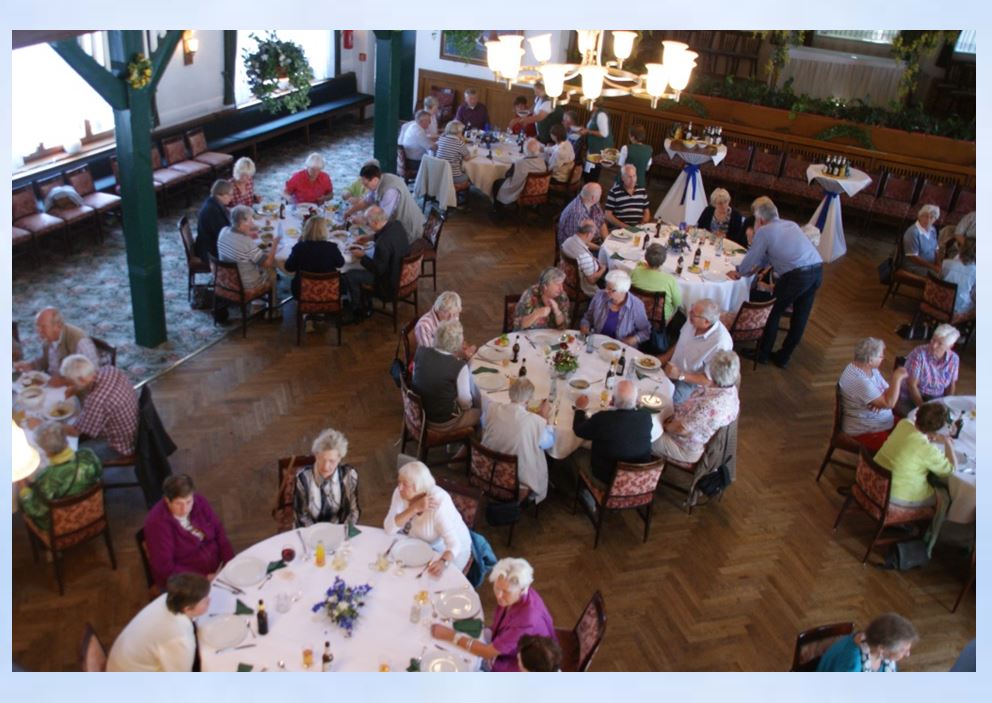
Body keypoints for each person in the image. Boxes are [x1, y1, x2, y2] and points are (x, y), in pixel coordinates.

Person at [728, 196, 823, 368]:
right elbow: (767, 257)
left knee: (772, 311)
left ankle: (763, 353)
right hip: (816, 270)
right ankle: (784, 357)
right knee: (800, 316)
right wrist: (752, 269)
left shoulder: (765, 231)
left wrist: (739, 272)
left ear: (761, 219)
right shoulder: (791, 225)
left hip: (796, 276)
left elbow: (753, 258)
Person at [431, 557, 556, 672]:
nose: (499, 596)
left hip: (522, 664)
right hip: (502, 639)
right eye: (497, 588)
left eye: (506, 592)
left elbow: (488, 653)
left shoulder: (527, 619)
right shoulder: (516, 594)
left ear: (523, 589)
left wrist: (451, 636)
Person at [874, 402, 956, 554]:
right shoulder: (926, 449)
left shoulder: (904, 424)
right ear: (937, 429)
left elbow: (916, 440)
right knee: (944, 497)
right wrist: (947, 443)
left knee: (926, 477)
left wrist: (932, 437)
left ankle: (909, 525)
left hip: (876, 480)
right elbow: (950, 470)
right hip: (896, 494)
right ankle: (928, 540)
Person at [143, 473, 235, 591]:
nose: (185, 509)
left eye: (188, 501)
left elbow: (219, 532)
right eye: (178, 504)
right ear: (167, 500)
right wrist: (204, 578)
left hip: (218, 569)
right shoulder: (156, 523)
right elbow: (164, 568)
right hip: (185, 582)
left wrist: (230, 563)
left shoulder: (199, 501)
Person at [106, 573, 211, 672]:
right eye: (205, 600)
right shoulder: (181, 637)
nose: (209, 600)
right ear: (187, 609)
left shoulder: (168, 598)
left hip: (122, 664)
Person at [383, 460, 471, 574]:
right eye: (399, 482)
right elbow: (389, 529)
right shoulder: (400, 494)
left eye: (405, 484)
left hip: (448, 551)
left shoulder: (439, 503)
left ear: (418, 487)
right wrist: (414, 508)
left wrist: (442, 563)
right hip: (419, 543)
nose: (399, 487)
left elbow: (454, 544)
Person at [653, 350, 740, 463]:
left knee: (643, 434)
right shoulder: (730, 390)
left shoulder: (710, 405)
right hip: (682, 429)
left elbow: (681, 429)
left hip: (683, 447)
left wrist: (662, 425)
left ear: (713, 373)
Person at [17, 421, 102, 532]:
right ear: (66, 440)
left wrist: (23, 487)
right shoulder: (87, 456)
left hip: (60, 525)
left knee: (22, 499)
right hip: (92, 511)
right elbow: (98, 473)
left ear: (46, 451)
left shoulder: (47, 478)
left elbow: (35, 510)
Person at [481, 377, 555, 504]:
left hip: (484, 468)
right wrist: (544, 419)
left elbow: (484, 423)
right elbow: (549, 443)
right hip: (514, 481)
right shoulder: (534, 421)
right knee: (538, 451)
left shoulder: (492, 407)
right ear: (528, 400)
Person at [573, 379, 653, 486]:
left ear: (612, 401)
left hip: (608, 479)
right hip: (639, 479)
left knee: (577, 452)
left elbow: (579, 430)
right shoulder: (646, 417)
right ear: (636, 400)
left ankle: (587, 493)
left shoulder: (603, 419)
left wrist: (579, 409)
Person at [60, 353, 139, 461]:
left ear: (82, 380)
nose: (68, 385)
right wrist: (76, 388)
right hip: (134, 426)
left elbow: (75, 431)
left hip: (120, 445)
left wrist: (46, 425)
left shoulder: (96, 400)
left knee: (71, 455)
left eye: (70, 382)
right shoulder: (109, 369)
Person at [656, 299, 733, 404]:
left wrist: (680, 375)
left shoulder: (720, 343)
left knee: (667, 401)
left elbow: (709, 380)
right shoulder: (692, 321)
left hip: (691, 382)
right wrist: (662, 359)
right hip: (672, 369)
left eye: (693, 314)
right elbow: (680, 344)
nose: (689, 315)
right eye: (691, 311)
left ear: (706, 322)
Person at [411, 319, 481, 432]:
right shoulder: (459, 366)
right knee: (483, 415)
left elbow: (415, 381)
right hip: (442, 422)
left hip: (420, 413)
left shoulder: (421, 351)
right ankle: (460, 446)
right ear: (457, 343)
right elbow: (466, 404)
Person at [838, 337, 906, 451]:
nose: (883, 358)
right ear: (870, 360)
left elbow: (886, 390)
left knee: (913, 431)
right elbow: (890, 403)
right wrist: (897, 378)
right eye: (880, 356)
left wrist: (879, 401)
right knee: (898, 451)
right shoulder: (859, 380)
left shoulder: (870, 369)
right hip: (866, 428)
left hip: (881, 420)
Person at [343, 205, 411, 317]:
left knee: (350, 274)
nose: (367, 225)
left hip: (388, 281)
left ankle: (356, 306)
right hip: (400, 271)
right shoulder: (397, 225)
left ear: (374, 223)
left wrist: (362, 256)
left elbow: (377, 269)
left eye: (368, 223)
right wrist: (369, 237)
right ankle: (362, 299)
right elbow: (384, 232)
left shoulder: (382, 243)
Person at [217, 205, 280, 314]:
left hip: (226, 280)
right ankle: (272, 310)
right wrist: (275, 243)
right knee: (272, 271)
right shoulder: (246, 242)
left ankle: (259, 303)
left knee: (254, 261)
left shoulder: (223, 231)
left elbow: (237, 243)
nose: (252, 224)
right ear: (242, 223)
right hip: (246, 284)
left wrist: (249, 233)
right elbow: (267, 263)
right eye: (250, 221)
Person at [292, 427, 360, 528]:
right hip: (310, 532)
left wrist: (344, 534)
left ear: (339, 459)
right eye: (322, 459)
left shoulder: (350, 475)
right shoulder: (302, 478)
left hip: (339, 531)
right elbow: (302, 516)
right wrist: (319, 538)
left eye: (331, 461)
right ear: (316, 456)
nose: (325, 467)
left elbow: (353, 512)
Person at [344, 163, 425, 245]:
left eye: (366, 184)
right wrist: (349, 212)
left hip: (409, 228)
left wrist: (363, 220)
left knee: (379, 243)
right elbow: (366, 201)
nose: (364, 187)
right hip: (396, 224)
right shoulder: (379, 180)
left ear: (375, 180)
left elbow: (381, 220)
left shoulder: (390, 191)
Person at [895, 324, 960, 417]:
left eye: (940, 343)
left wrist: (947, 406)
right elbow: (912, 385)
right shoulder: (919, 353)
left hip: (935, 400)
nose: (933, 345)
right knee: (921, 422)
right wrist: (924, 410)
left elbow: (951, 385)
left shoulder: (954, 359)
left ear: (950, 346)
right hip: (911, 398)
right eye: (933, 340)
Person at [817, 613, 918, 672]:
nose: (907, 654)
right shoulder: (851, 665)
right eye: (903, 650)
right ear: (881, 648)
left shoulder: (874, 643)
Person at [14, 307, 99, 378]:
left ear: (58, 326)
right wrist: (31, 365)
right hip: (53, 379)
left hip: (74, 388)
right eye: (38, 326)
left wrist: (63, 381)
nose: (39, 331)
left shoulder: (80, 342)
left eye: (43, 326)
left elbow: (92, 373)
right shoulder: (48, 338)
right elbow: (48, 360)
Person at [579, 269, 651, 347]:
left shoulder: (636, 306)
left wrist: (634, 339)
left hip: (620, 347)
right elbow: (587, 317)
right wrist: (584, 326)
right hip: (597, 342)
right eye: (606, 287)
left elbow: (646, 330)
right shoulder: (599, 296)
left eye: (611, 289)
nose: (606, 291)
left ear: (622, 291)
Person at [283, 215, 344, 300]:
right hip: (330, 291)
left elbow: (289, 267)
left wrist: (298, 245)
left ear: (306, 230)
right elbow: (341, 264)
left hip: (303, 292)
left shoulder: (299, 248)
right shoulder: (332, 248)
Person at [630, 243, 682, 326]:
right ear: (664, 260)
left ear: (646, 257)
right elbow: (678, 303)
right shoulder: (670, 280)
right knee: (677, 310)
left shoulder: (636, 271)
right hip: (657, 321)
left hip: (634, 314)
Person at [414, 291, 476, 358]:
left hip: (448, 357)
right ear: (438, 309)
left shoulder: (453, 317)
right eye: (447, 313)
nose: (451, 318)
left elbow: (457, 339)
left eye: (455, 314)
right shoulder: (424, 325)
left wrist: (464, 348)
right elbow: (429, 356)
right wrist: (458, 355)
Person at [492, 138, 548, 211]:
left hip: (521, 192)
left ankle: (498, 210)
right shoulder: (543, 163)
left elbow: (508, 175)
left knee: (497, 183)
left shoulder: (520, 163)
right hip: (538, 192)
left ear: (525, 150)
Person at [513, 267, 571, 331]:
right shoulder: (530, 295)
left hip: (551, 337)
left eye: (562, 284)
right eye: (557, 284)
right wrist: (536, 314)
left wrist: (557, 312)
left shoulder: (562, 296)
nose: (561, 289)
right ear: (545, 286)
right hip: (528, 336)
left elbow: (563, 328)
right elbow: (518, 325)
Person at [561, 220, 607, 298]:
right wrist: (603, 268)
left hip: (567, 282)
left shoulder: (567, 241)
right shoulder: (584, 256)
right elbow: (592, 280)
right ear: (588, 234)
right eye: (593, 233)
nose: (593, 236)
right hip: (583, 288)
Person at [194, 179, 233, 261]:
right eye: (230, 195)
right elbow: (222, 235)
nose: (232, 198)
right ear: (222, 194)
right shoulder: (212, 210)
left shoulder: (213, 202)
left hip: (210, 243)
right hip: (210, 251)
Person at [604, 164, 651, 228]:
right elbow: (608, 215)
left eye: (634, 176)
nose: (632, 180)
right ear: (623, 178)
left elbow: (647, 212)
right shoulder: (614, 192)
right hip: (620, 230)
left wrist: (642, 224)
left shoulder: (642, 191)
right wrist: (626, 227)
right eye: (629, 177)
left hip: (638, 228)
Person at [901, 204, 941, 276]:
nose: (928, 220)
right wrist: (933, 267)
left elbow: (936, 249)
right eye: (925, 216)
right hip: (915, 266)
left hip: (930, 264)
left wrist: (938, 263)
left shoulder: (932, 229)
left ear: (935, 220)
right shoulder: (913, 232)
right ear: (919, 216)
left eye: (932, 217)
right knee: (939, 277)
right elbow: (913, 258)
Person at [941, 237, 976, 316]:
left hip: (940, 302)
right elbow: (974, 296)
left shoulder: (945, 263)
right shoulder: (975, 273)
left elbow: (939, 281)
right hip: (959, 309)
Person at [434, 120, 472, 193]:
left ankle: (446, 190)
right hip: (453, 176)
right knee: (470, 176)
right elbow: (467, 158)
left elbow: (435, 149)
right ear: (459, 132)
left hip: (440, 173)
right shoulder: (459, 143)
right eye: (462, 131)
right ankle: (454, 191)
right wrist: (463, 142)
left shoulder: (441, 139)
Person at [579, 100, 612, 183]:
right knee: (588, 173)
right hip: (592, 148)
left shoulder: (601, 114)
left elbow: (604, 134)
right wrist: (586, 129)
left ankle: (591, 192)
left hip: (597, 150)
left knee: (592, 175)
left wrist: (588, 131)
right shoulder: (595, 113)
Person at [618, 124, 653, 188]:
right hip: (640, 182)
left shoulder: (625, 148)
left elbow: (621, 164)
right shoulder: (649, 149)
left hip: (625, 182)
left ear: (633, 137)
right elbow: (647, 168)